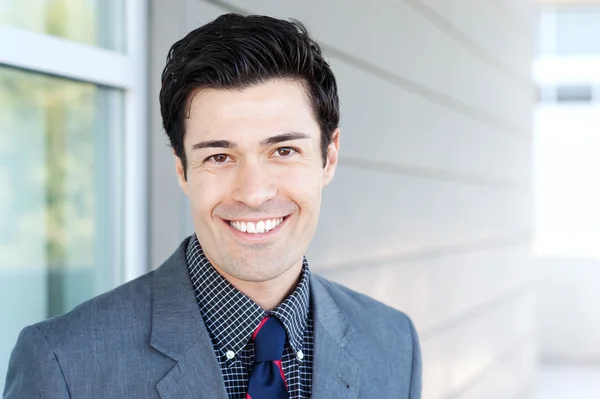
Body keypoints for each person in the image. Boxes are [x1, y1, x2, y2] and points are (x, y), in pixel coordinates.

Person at [4, 13, 421, 399]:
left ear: (329, 157)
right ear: (183, 171)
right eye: (219, 157)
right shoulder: (62, 364)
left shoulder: (393, 342)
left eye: (284, 150)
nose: (254, 193)